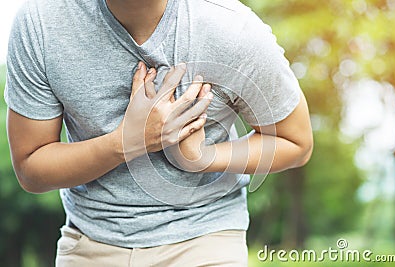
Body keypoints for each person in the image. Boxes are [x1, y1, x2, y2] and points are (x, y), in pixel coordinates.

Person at [5, 0, 313, 266]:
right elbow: (31, 167)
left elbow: (296, 142)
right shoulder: (41, 23)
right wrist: (127, 142)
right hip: (91, 241)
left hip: (204, 237)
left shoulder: (232, 29)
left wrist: (203, 157)